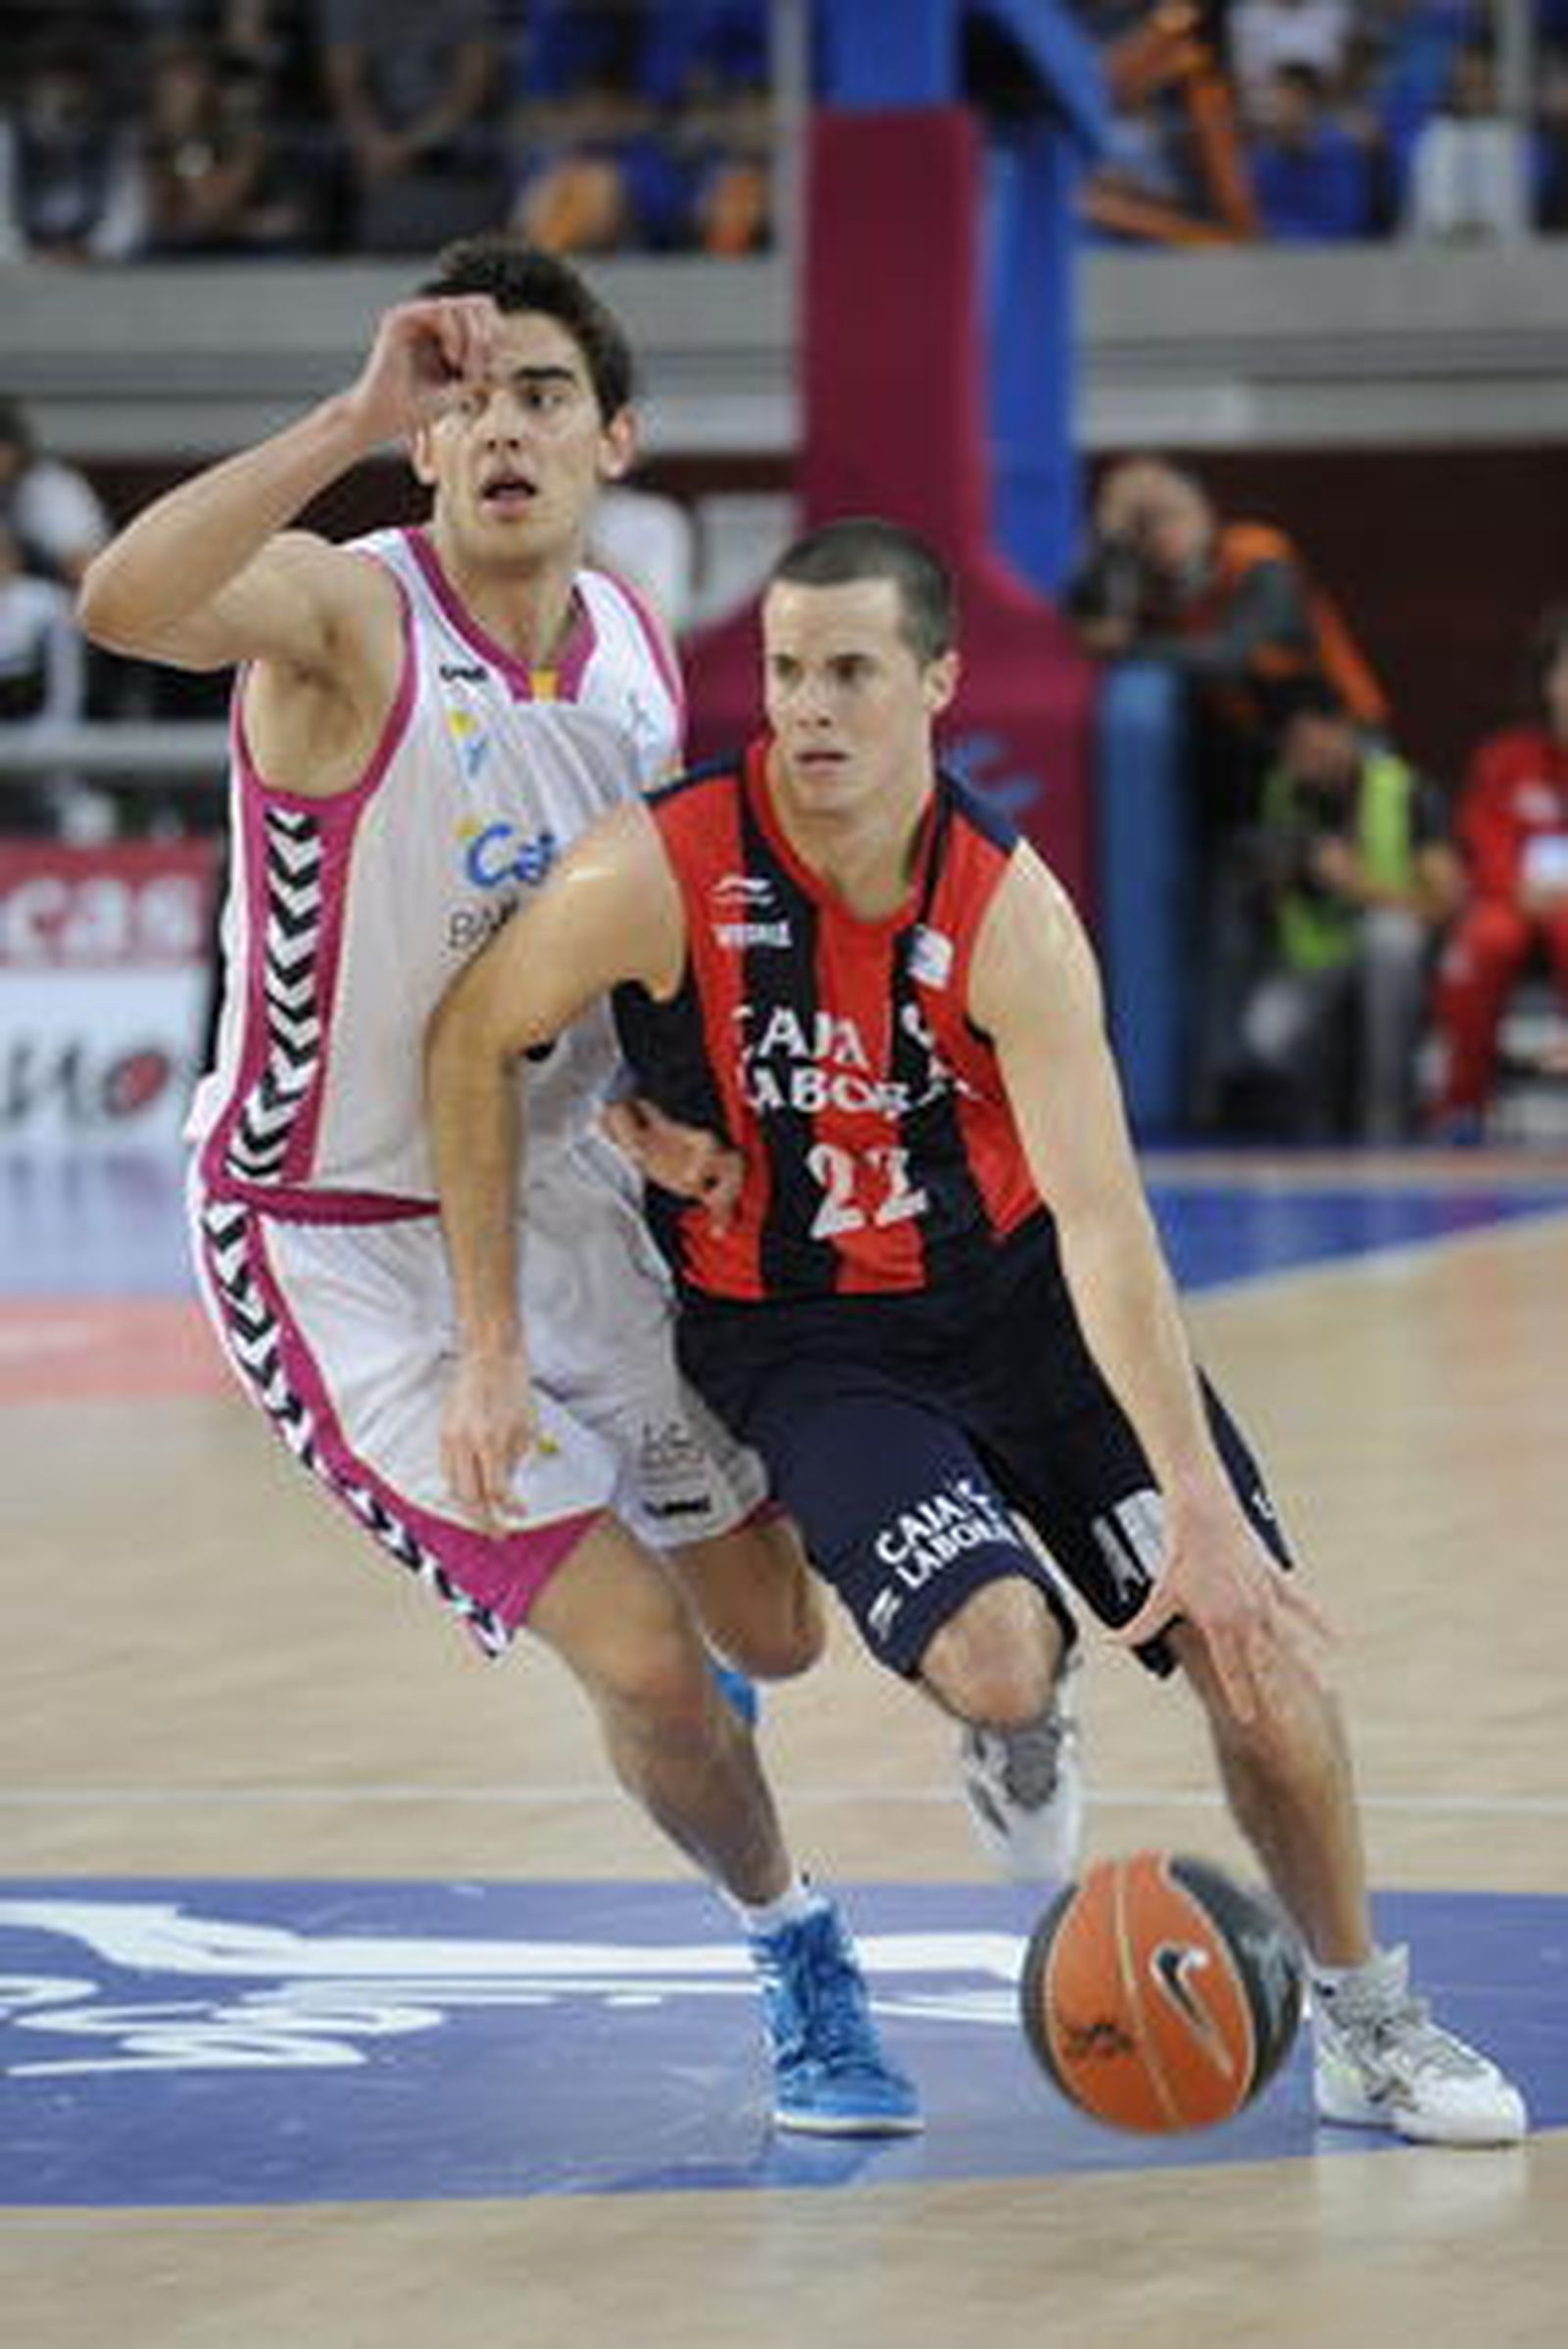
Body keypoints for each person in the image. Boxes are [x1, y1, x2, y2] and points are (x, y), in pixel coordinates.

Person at [427, 516, 1527, 2147]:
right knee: (1001, 1663)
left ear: (938, 682)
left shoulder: (1011, 913)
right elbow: (474, 1036)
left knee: (1255, 1645)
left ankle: (1366, 2016)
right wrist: (497, 1325)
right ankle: (1021, 1727)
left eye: (851, 671)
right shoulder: (656, 868)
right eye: (786, 671)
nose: (810, 706)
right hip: (807, 1335)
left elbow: (1104, 1221)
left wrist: (1200, 1508)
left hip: (1025, 1301)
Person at [76, 237, 926, 2138]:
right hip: (334, 1243)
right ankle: (795, 1944)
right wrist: (346, 415)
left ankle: (703, 1703)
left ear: (615, 438)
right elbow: (123, 600)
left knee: (775, 1633)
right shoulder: (343, 615)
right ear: (428, 440)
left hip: (564, 1192)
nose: (501, 430)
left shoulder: (628, 639)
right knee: (654, 1670)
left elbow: (625, 952)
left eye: (542, 394)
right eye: (465, 402)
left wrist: (681, 1131)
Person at [1062, 455, 1390, 1127]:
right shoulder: (1152, 585)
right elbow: (1082, 615)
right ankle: (1229, 1095)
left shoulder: (1257, 556)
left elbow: (1232, 653)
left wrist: (1129, 648)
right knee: (1229, 924)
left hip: (1345, 755)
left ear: (1205, 511)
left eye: (1171, 514)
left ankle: (1379, 1097)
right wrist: (1113, 534)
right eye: (1147, 523)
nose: (1163, 534)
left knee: (1368, 917)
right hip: (1257, 774)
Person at [1237, 681, 1462, 1141]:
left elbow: (1447, 903)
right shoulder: (1283, 792)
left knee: (1389, 939)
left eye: (1307, 742)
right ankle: (1320, 1115)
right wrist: (1277, 878)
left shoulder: (1404, 791)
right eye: (1290, 747)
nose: (1299, 758)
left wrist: (1359, 886)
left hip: (1395, 965)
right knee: (1267, 1031)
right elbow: (1271, 900)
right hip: (1320, 961)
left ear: (1343, 730)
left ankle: (1386, 1113)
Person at [1431, 605, 1568, 1137]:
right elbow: (1484, 842)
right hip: (1512, 901)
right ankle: (1461, 1107)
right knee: (1483, 942)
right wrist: (1518, 887)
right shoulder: (1505, 758)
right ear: (1549, 681)